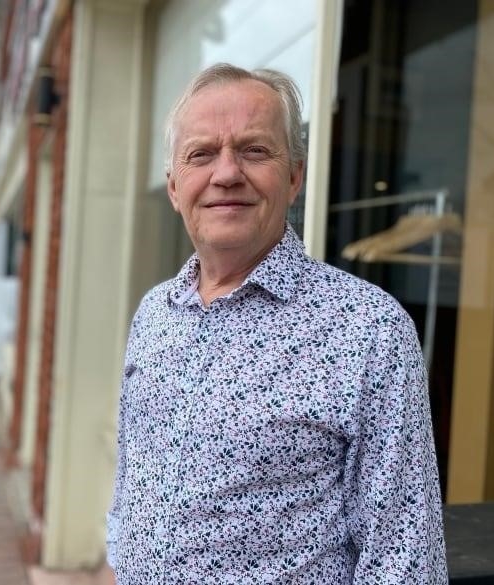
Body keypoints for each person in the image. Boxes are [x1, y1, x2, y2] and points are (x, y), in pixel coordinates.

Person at [106, 64, 447, 584]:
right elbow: (132, 486)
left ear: (293, 178)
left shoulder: (369, 329)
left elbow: (403, 557)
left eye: (254, 150)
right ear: (175, 188)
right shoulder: (155, 313)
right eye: (201, 154)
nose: (226, 174)